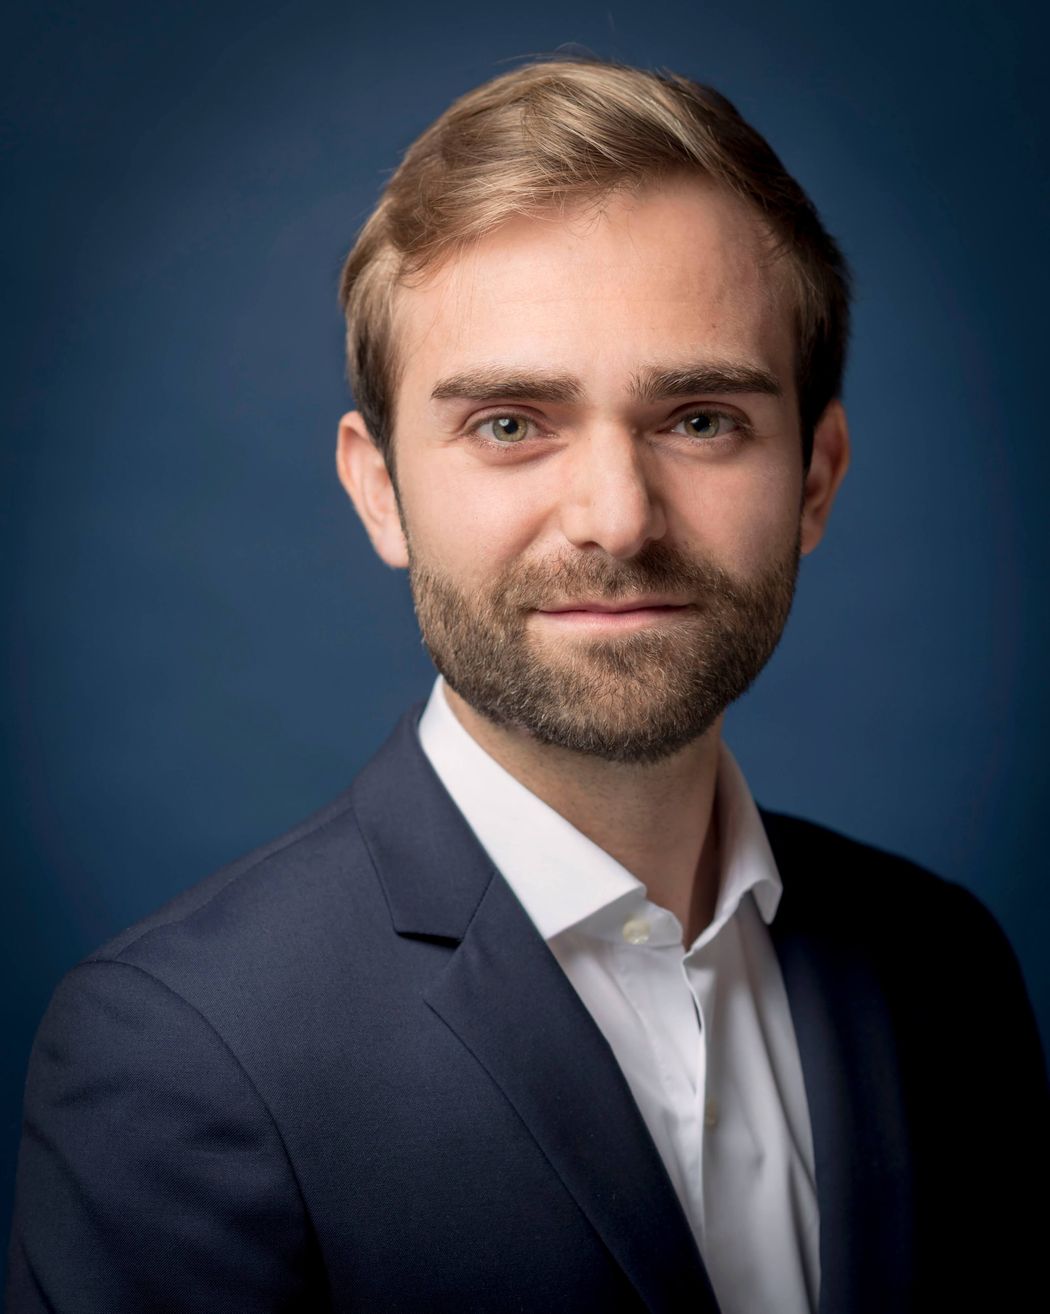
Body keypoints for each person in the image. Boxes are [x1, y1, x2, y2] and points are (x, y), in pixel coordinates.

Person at [7, 56, 1046, 1314]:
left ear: (816, 477)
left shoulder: (944, 968)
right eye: (510, 422)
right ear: (379, 488)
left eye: (702, 419)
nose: (615, 518)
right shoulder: (180, 1058)